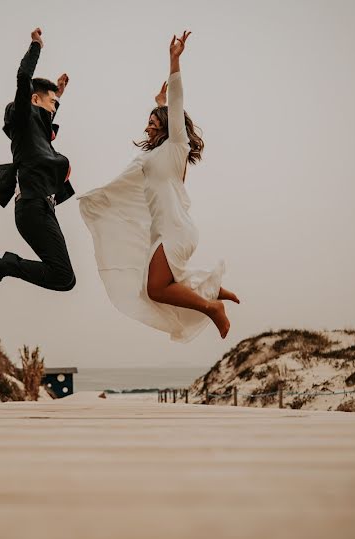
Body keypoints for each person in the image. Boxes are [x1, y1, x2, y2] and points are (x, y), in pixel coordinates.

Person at [79, 31, 238, 341]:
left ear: (169, 128)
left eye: (155, 124)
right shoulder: (153, 157)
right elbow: (163, 116)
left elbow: (177, 104)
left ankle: (211, 306)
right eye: (148, 124)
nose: (149, 128)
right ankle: (211, 286)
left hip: (175, 230)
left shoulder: (176, 145)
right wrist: (158, 103)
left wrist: (174, 60)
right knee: (149, 289)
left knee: (156, 288)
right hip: (166, 231)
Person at [0, 27, 76, 302]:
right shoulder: (22, 120)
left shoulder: (38, 130)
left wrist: (58, 95)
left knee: (65, 278)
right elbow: (24, 78)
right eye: (50, 102)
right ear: (34, 99)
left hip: (43, 208)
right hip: (31, 208)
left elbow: (45, 123)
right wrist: (36, 46)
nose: (53, 108)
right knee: (64, 277)